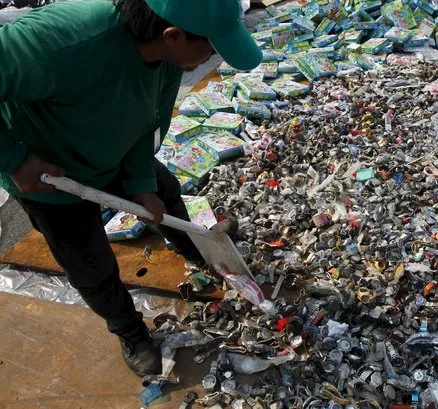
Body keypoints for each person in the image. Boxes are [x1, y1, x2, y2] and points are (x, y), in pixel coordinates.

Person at [0, 0, 262, 376]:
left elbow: (149, 120)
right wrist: (14, 160)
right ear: (173, 36)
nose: (213, 56)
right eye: (212, 47)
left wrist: (141, 184)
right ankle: (131, 332)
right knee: (90, 264)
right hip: (53, 177)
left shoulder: (171, 59)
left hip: (117, 151)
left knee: (165, 194)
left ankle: (201, 252)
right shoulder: (61, 41)